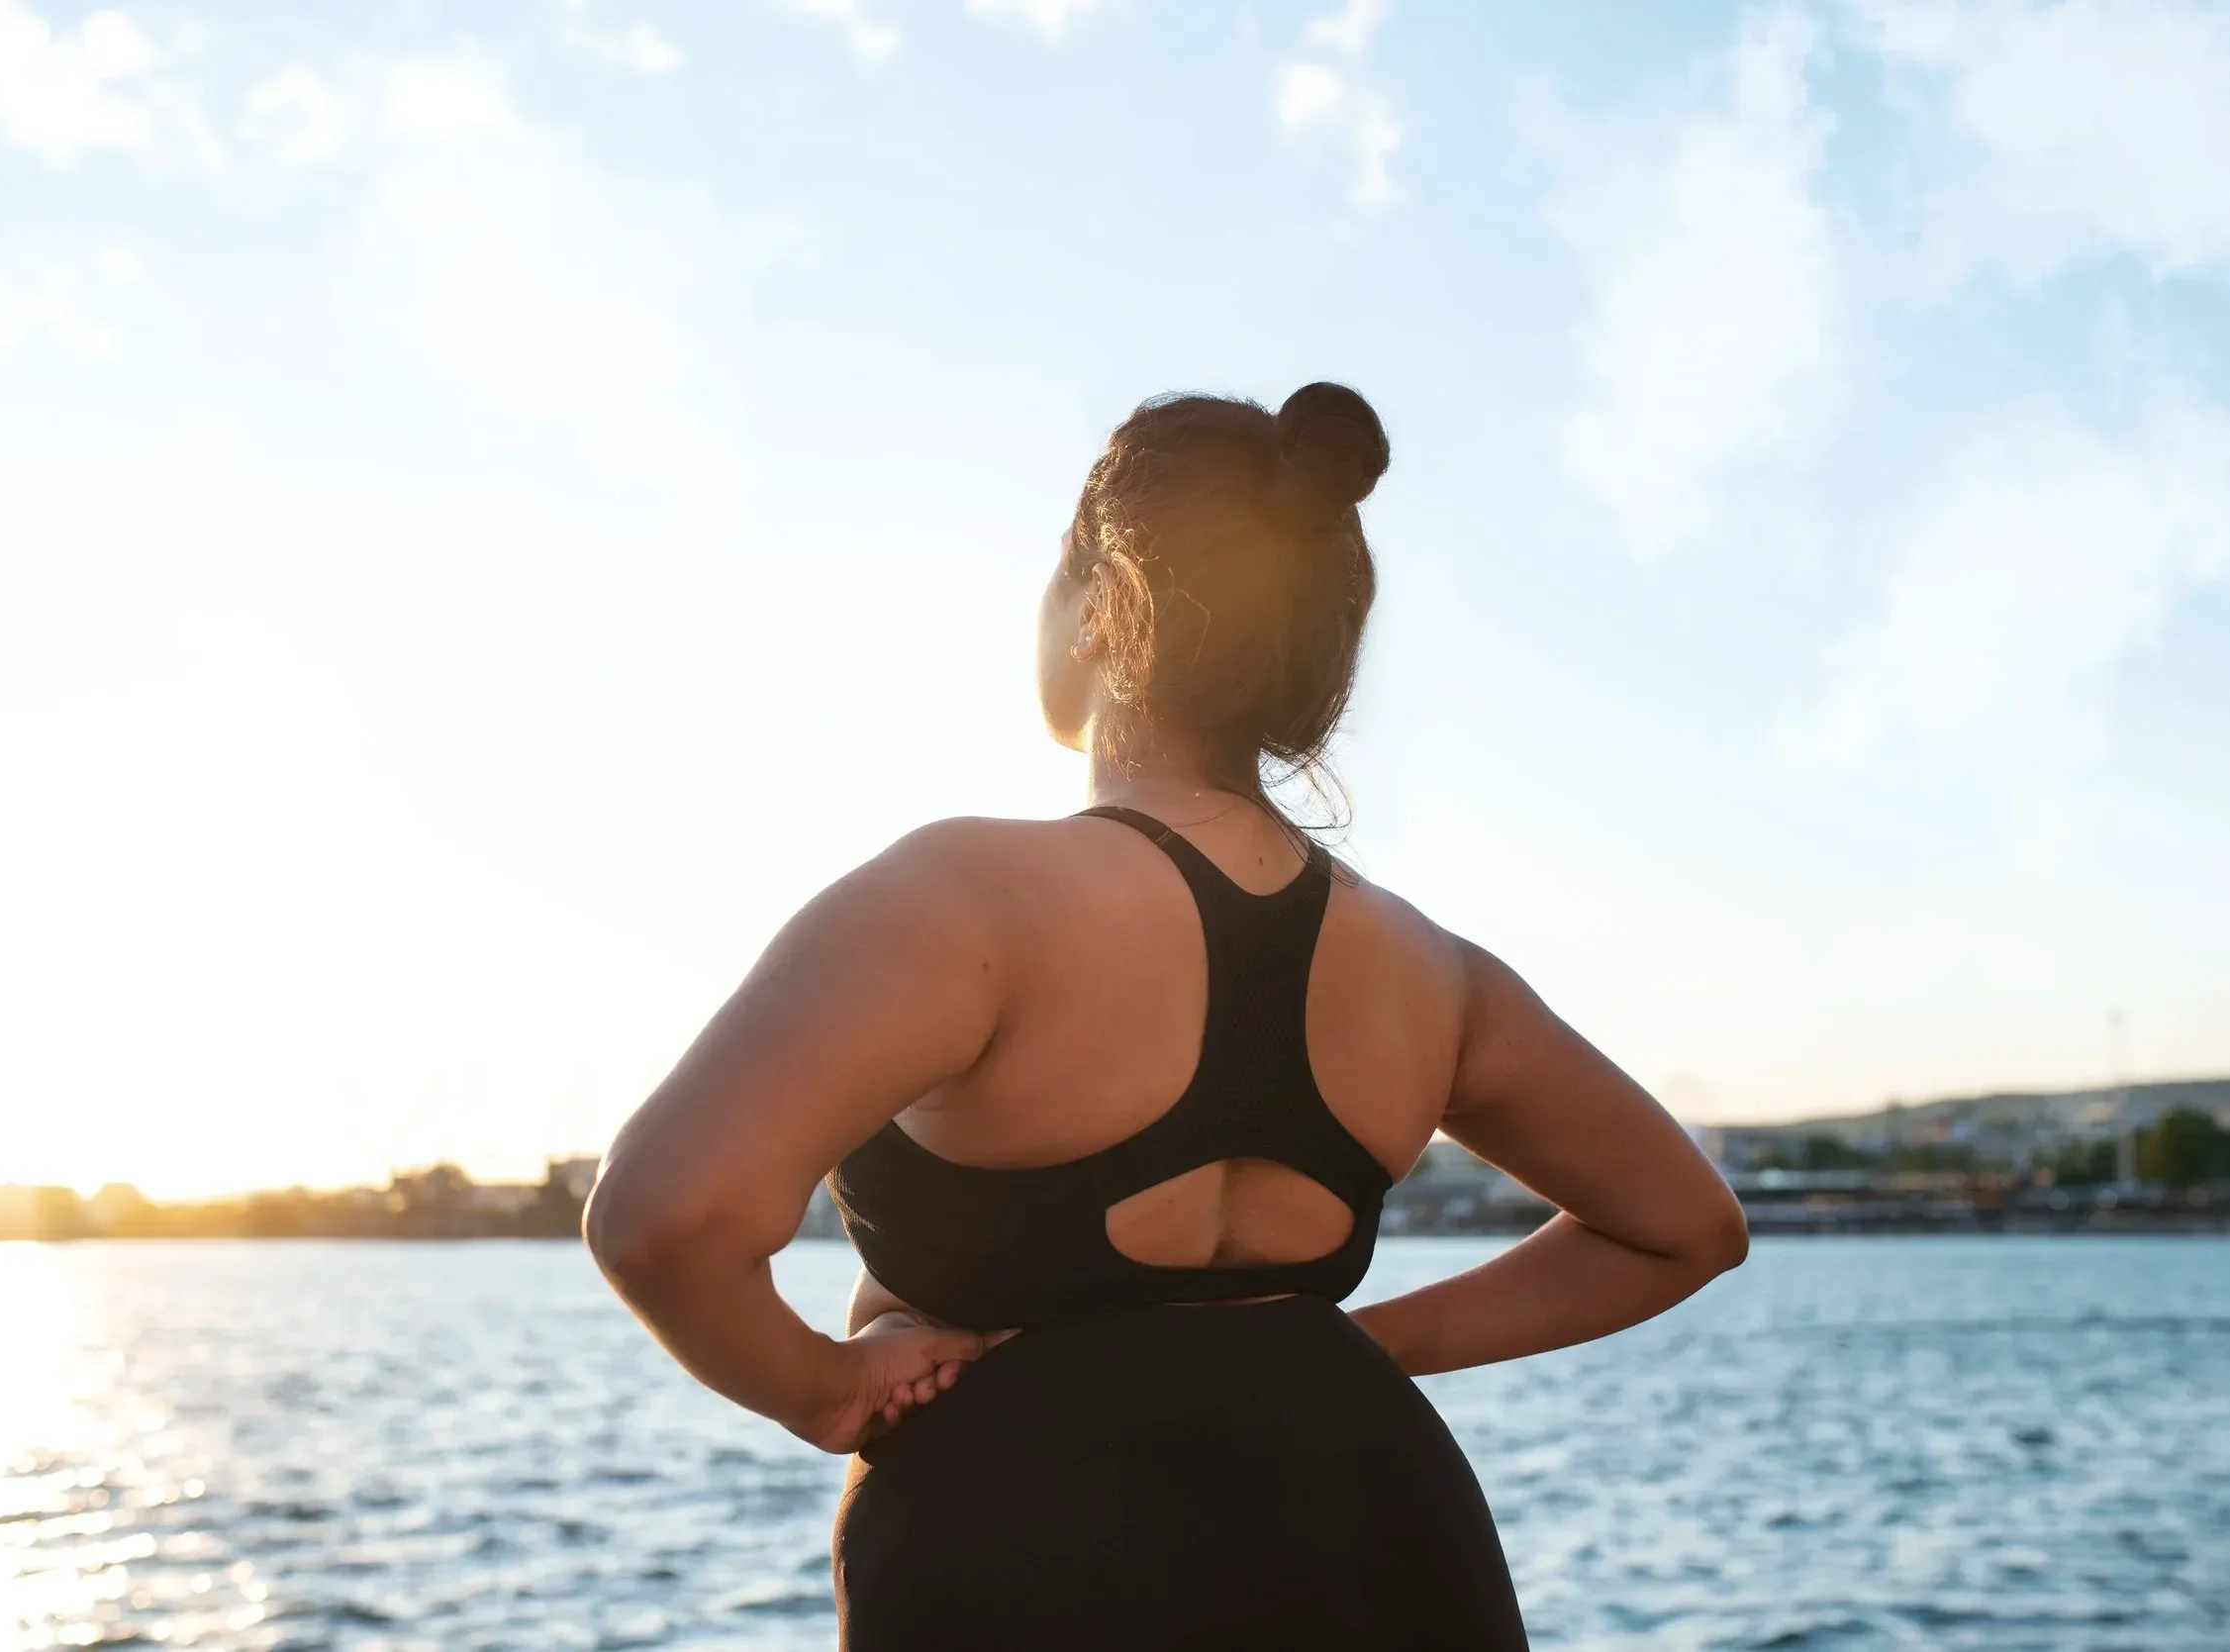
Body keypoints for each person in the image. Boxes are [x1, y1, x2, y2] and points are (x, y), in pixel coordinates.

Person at [584, 383, 1750, 1649]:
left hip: (1030, 1558)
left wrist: (824, 1387)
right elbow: (1681, 1226)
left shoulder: (964, 897)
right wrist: (1343, 1350)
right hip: (1382, 1540)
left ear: (1094, 603)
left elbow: (664, 1216)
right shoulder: (1432, 968)